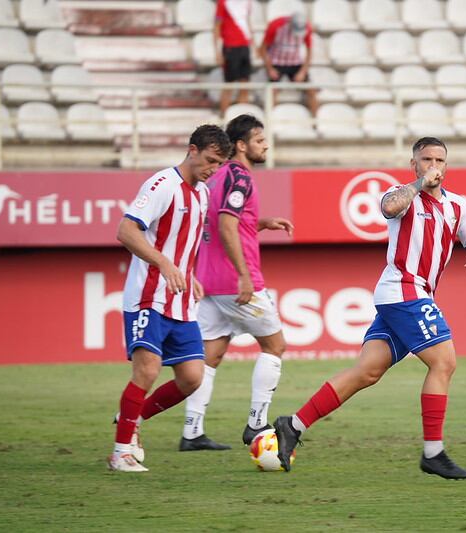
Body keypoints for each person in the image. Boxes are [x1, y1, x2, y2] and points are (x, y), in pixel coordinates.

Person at [273, 137, 466, 479]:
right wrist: (420, 185)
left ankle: (293, 425)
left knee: (367, 372)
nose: (434, 165)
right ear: (413, 164)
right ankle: (433, 452)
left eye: (439, 160)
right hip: (404, 292)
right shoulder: (403, 195)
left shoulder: (458, 206)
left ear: (447, 165)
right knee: (445, 363)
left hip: (413, 296)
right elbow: (389, 208)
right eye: (426, 159)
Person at [107, 125, 232, 472]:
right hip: (148, 295)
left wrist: (188, 275)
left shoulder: (203, 193)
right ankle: (121, 452)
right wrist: (164, 264)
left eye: (219, 165)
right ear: (192, 150)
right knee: (146, 371)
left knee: (192, 377)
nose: (212, 169)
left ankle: (129, 420)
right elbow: (126, 230)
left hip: (180, 300)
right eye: (209, 161)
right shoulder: (162, 185)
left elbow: (182, 241)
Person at [178, 114, 295, 452]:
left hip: (210, 280)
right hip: (236, 281)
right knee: (275, 346)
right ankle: (256, 424)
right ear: (242, 145)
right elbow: (227, 225)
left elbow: (225, 222)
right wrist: (244, 274)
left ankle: (192, 431)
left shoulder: (215, 177)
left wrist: (262, 222)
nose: (265, 145)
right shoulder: (240, 176)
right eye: (259, 140)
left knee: (210, 356)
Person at [258, 11, 318, 116]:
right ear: (290, 23)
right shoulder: (275, 26)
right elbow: (262, 49)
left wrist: (303, 72)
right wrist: (270, 69)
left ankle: (315, 122)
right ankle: (270, 121)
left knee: (311, 91)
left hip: (295, 62)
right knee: (272, 92)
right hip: (276, 61)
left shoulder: (307, 28)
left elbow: (309, 52)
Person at [215, 0, 254, 117]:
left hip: (245, 46)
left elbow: (246, 22)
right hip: (230, 47)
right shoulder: (223, 3)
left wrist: (253, 44)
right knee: (229, 85)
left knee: (245, 85)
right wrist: (217, 51)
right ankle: (223, 117)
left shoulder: (247, 2)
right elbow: (217, 26)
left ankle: (243, 120)